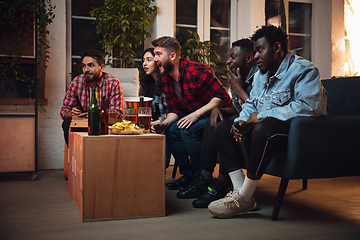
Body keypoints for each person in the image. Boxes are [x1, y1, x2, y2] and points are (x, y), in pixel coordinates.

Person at [208, 25, 328, 218]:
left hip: (297, 134)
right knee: (224, 128)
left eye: (259, 50)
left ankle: (243, 198)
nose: (255, 56)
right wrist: (241, 121)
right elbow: (252, 105)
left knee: (263, 128)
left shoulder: (304, 70)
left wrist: (260, 117)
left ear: (277, 47)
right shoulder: (260, 75)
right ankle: (241, 195)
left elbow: (310, 107)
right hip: (266, 130)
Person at [176, 39, 258, 207]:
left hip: (258, 126)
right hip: (243, 121)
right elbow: (237, 108)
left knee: (223, 127)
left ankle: (222, 183)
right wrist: (217, 109)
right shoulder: (238, 75)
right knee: (214, 121)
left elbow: (258, 111)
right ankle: (205, 178)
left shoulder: (259, 77)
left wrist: (238, 88)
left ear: (248, 58)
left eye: (233, 57)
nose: (228, 61)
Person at [150, 36, 232, 189]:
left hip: (214, 116)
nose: (155, 59)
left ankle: (202, 177)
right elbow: (175, 109)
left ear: (172, 56)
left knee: (186, 130)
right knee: (172, 130)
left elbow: (222, 97)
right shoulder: (166, 78)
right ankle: (189, 175)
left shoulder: (196, 71)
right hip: (193, 116)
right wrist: (164, 124)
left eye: (158, 54)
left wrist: (196, 114)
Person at [60, 49, 124, 145]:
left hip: (103, 125)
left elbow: (117, 114)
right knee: (67, 123)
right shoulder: (76, 82)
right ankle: (75, 157)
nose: (86, 70)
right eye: (84, 66)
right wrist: (71, 113)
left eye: (91, 65)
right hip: (82, 124)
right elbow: (64, 111)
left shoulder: (113, 83)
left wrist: (95, 115)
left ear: (102, 67)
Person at [139, 47, 171, 168]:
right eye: (143, 60)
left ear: (157, 62)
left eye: (149, 60)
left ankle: (158, 170)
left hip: (166, 121)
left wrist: (158, 122)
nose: (144, 64)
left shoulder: (167, 81)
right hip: (151, 122)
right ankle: (144, 170)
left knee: (161, 132)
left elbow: (171, 110)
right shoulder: (145, 83)